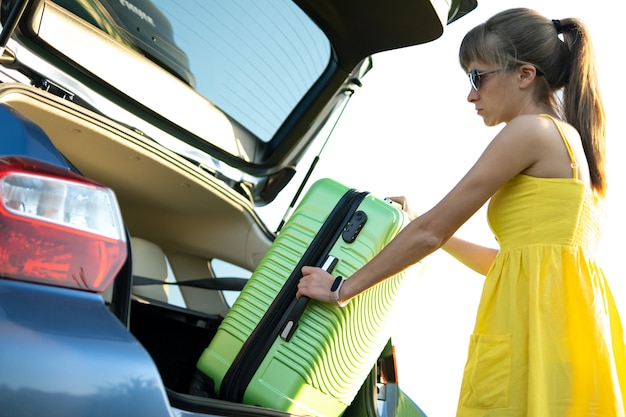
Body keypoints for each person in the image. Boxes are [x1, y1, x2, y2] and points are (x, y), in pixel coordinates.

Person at [296, 7, 626, 416]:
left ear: (524, 75)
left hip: (534, 340)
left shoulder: (530, 132)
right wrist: (427, 225)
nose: (471, 94)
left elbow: (431, 231)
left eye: (478, 77)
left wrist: (341, 289)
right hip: (566, 336)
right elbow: (504, 263)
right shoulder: (571, 143)